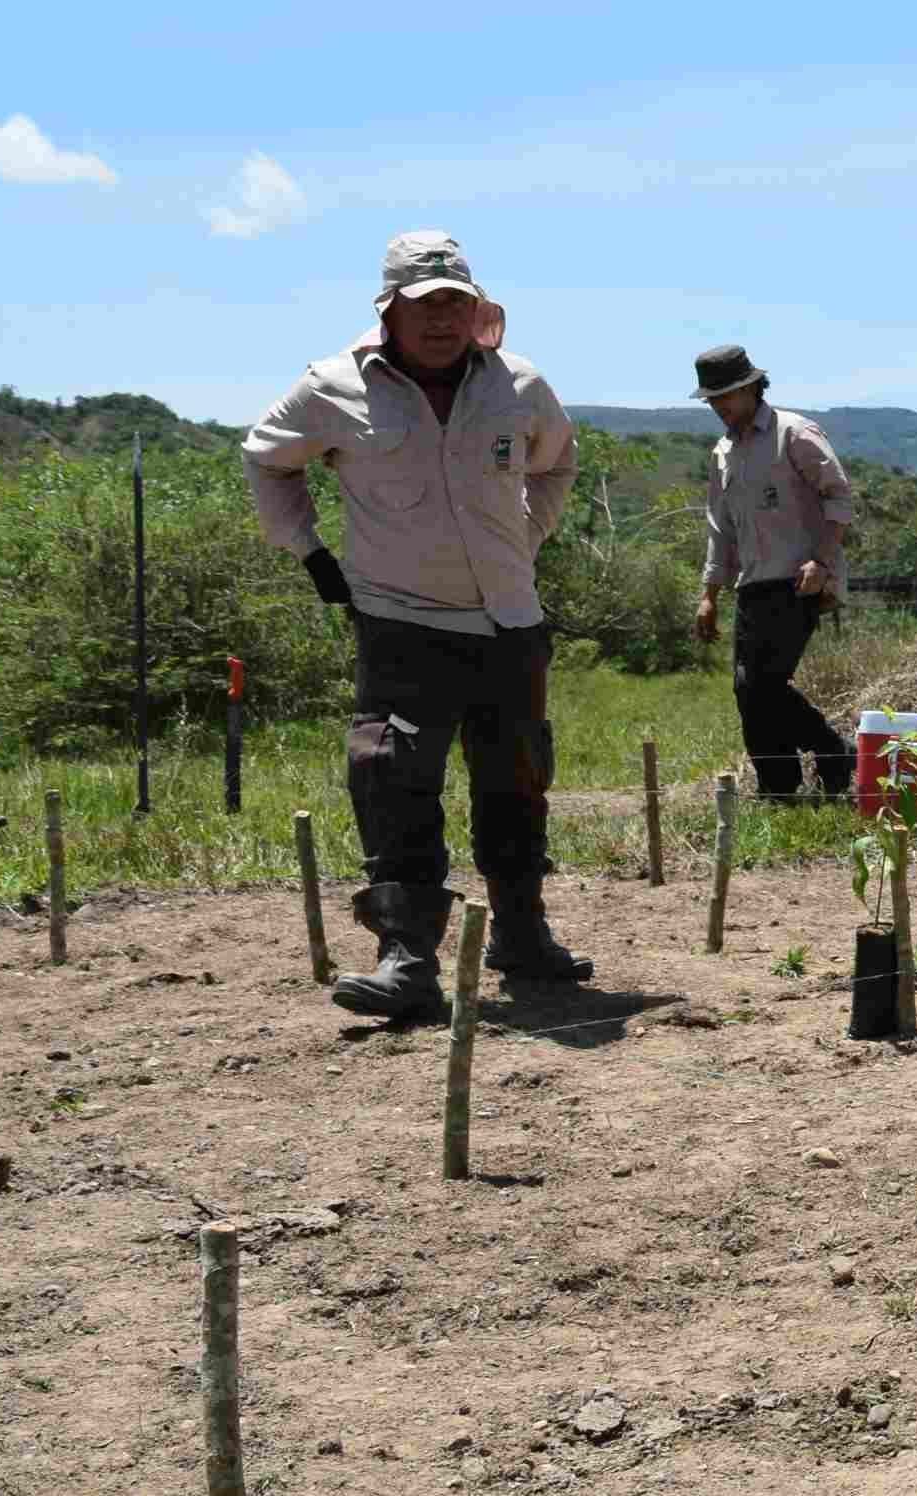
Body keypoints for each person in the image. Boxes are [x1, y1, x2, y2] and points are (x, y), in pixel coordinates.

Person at [243, 229, 593, 1022]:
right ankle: (406, 958)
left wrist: (525, 539)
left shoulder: (520, 384)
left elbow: (557, 463)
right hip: (400, 622)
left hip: (510, 620)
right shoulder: (332, 386)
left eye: (455, 304)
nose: (441, 320)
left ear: (478, 309)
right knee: (395, 779)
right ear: (389, 309)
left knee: (517, 778)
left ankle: (522, 935)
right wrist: (309, 553)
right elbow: (266, 458)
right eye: (424, 305)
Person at [687, 344, 861, 799]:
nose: (719, 407)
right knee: (749, 693)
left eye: (725, 396)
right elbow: (719, 530)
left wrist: (822, 561)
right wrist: (709, 595)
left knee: (760, 685)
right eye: (711, 399)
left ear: (750, 388)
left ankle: (833, 752)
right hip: (752, 585)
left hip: (799, 582)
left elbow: (839, 499)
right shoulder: (722, 453)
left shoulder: (795, 433)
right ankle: (780, 788)